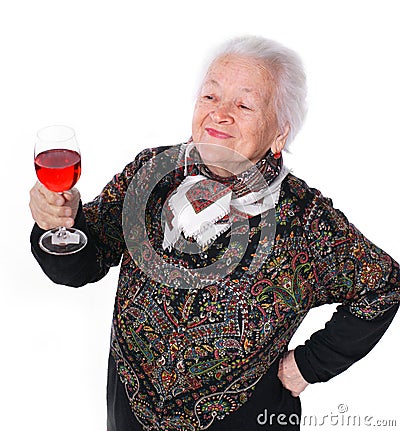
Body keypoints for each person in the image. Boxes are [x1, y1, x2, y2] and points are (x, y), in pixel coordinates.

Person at [29, 35, 399, 431]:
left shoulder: (306, 219)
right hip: (130, 417)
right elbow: (82, 264)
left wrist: (308, 366)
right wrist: (57, 224)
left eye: (243, 104)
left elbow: (384, 285)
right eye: (210, 97)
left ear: (280, 134)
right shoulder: (153, 173)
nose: (219, 114)